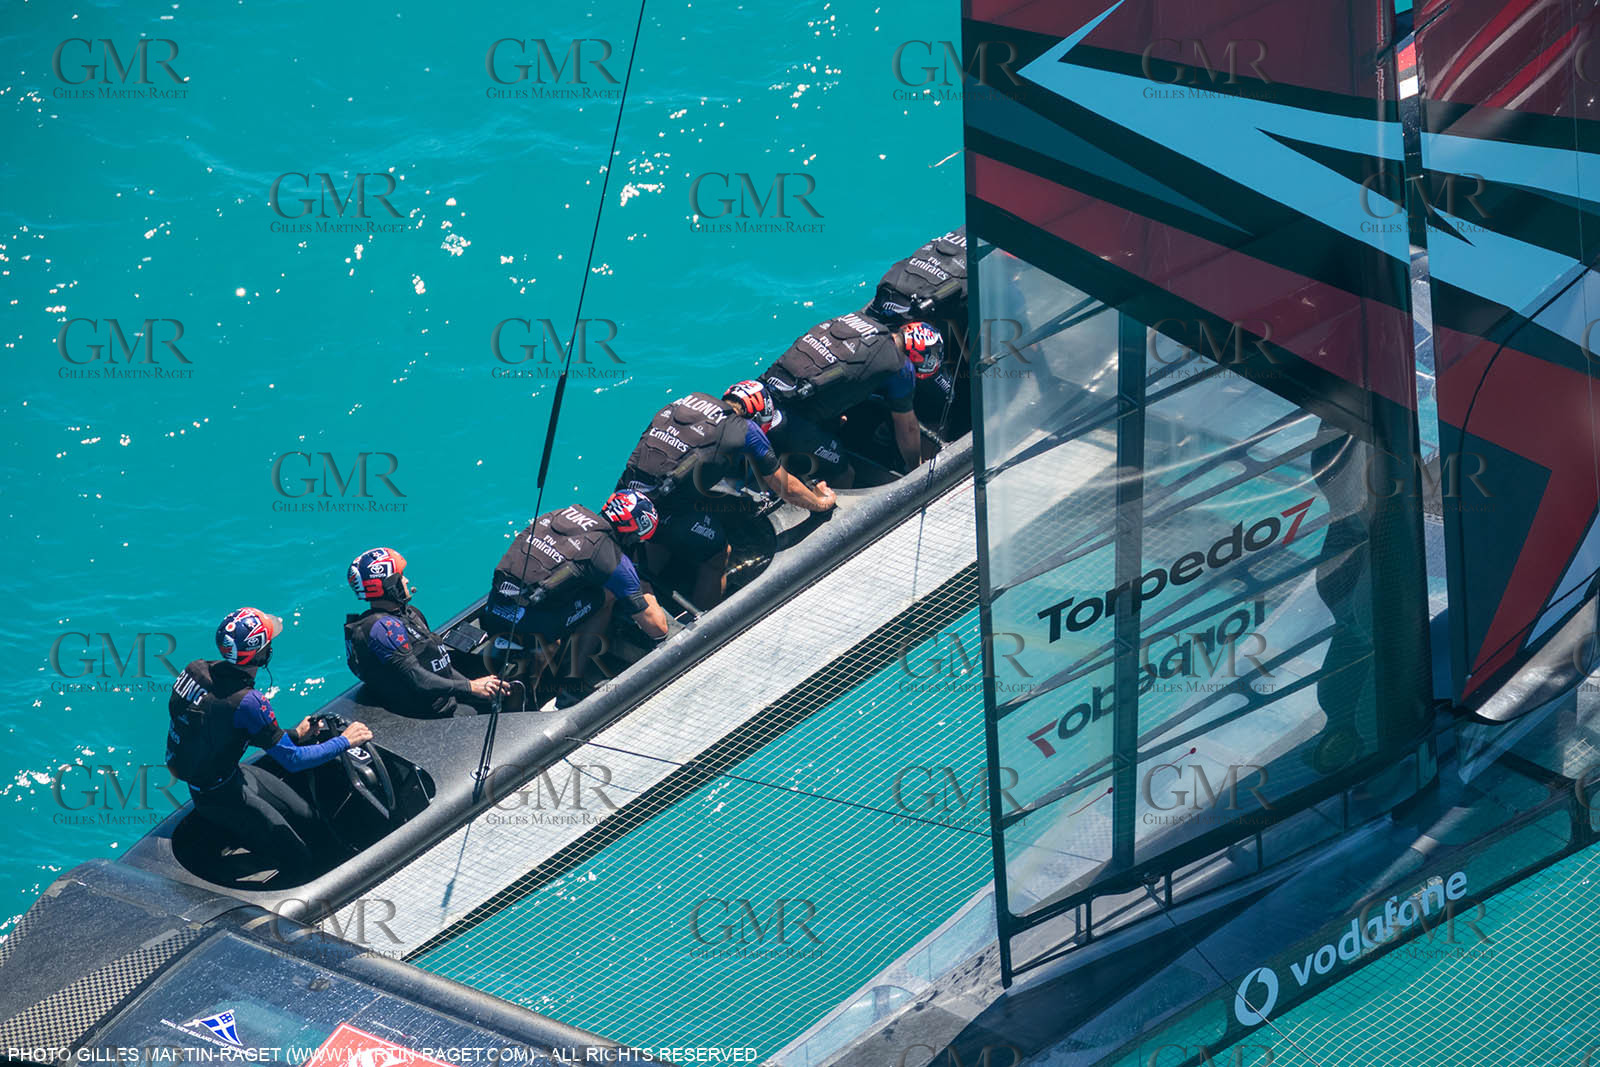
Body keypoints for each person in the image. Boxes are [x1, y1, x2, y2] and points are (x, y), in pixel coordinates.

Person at [166, 607, 371, 881]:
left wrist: (295, 734)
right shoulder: (249, 701)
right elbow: (292, 761)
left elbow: (222, 728)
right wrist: (345, 741)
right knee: (299, 859)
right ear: (261, 654)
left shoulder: (195, 670)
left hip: (229, 775)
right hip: (221, 796)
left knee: (308, 817)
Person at [615, 382, 837, 608]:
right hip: (668, 511)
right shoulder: (745, 429)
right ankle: (703, 619)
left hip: (628, 499)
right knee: (718, 554)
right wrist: (821, 502)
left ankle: (638, 584)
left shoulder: (688, 400)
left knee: (659, 534)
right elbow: (785, 488)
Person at [483, 492, 671, 708]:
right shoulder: (613, 557)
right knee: (606, 596)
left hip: (494, 607)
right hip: (533, 628)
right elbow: (658, 629)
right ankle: (571, 685)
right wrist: (644, 587)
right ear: (632, 533)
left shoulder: (559, 514)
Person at [760, 313, 944, 486]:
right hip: (792, 421)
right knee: (844, 474)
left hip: (767, 392)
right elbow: (908, 428)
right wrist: (915, 470)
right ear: (918, 356)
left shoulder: (862, 322)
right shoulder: (900, 367)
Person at [345, 547, 510, 717]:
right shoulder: (383, 629)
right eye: (401, 577)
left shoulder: (409, 614)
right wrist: (471, 688)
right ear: (388, 586)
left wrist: (471, 685)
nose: (407, 580)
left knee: (504, 685)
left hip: (443, 694)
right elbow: (418, 679)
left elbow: (439, 661)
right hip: (429, 712)